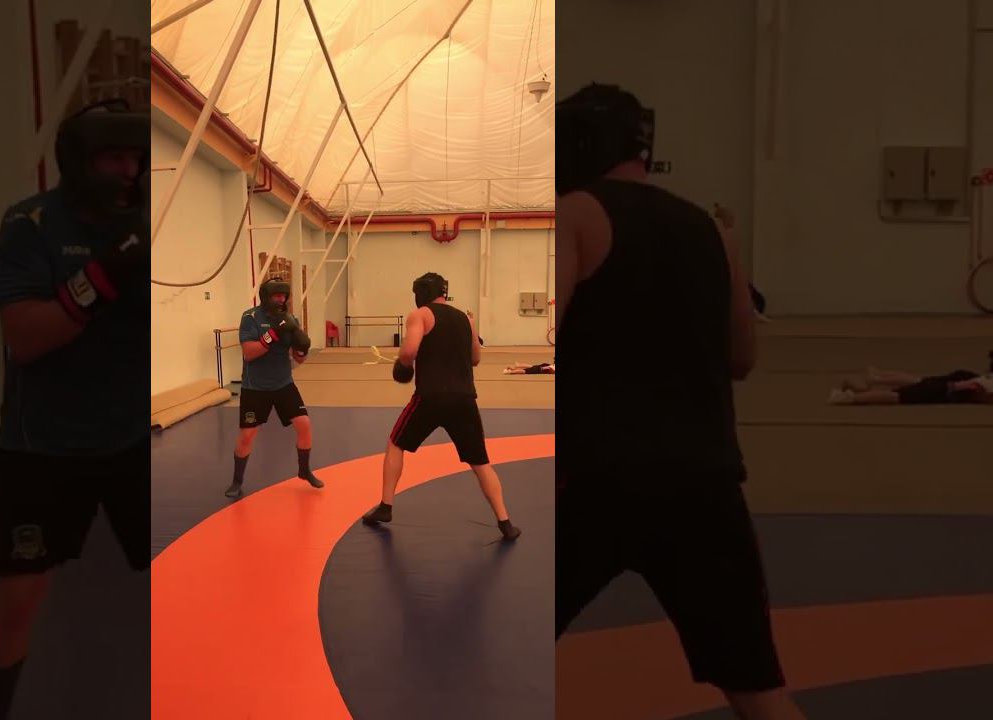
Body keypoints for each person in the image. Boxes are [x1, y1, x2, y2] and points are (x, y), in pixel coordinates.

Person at [556, 83, 805, 720]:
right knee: (757, 689)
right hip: (704, 482)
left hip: (596, 481)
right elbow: (741, 359)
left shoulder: (577, 215)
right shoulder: (713, 230)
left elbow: (546, 344)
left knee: (503, 640)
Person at [0, 99, 147, 720]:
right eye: (113, 157)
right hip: (44, 446)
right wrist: (100, 280)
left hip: (131, 440)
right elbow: (24, 336)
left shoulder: (148, 221)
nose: (129, 170)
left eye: (136, 157)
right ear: (79, 161)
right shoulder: (32, 224)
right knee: (20, 598)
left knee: (182, 571)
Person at [361, 272, 522, 541]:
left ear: (421, 293)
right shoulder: (466, 319)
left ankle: (386, 506)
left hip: (430, 397)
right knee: (481, 463)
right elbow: (475, 358)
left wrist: (403, 365)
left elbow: (409, 351)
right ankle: (505, 522)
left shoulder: (421, 315)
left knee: (396, 444)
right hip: (464, 399)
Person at [225, 277, 325, 498]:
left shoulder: (291, 319)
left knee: (304, 424)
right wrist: (272, 335)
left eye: (283, 296)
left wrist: (302, 348)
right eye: (276, 295)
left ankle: (304, 470)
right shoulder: (250, 317)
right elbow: (249, 353)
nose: (281, 299)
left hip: (283, 383)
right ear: (266, 297)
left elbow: (298, 360)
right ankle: (237, 480)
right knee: (247, 435)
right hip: (255, 387)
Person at [829, 366, 993, 405]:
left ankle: (875, 379)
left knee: (918, 381)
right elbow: (982, 394)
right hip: (949, 387)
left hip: (955, 383)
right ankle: (849, 397)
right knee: (897, 396)